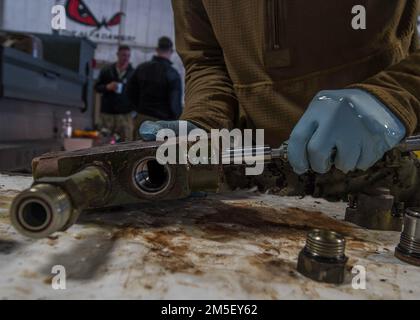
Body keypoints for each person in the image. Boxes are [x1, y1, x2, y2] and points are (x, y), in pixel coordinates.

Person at [140, 0, 420, 176]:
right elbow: (207, 59)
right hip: (252, 178)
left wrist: (392, 98)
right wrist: (204, 120)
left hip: (380, 172)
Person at [126, 36, 183, 139]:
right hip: (163, 124)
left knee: (137, 153)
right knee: (159, 154)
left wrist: (137, 109)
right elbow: (175, 105)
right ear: (171, 51)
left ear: (157, 50)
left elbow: (129, 92)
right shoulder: (172, 74)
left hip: (142, 120)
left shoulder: (141, 68)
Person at [95, 45, 135, 141]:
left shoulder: (133, 73)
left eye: (128, 56)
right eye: (123, 55)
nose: (126, 58)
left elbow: (138, 93)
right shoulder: (107, 71)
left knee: (126, 144)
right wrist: (107, 87)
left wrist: (134, 111)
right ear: (117, 55)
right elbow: (96, 87)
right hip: (107, 115)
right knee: (103, 142)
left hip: (125, 116)